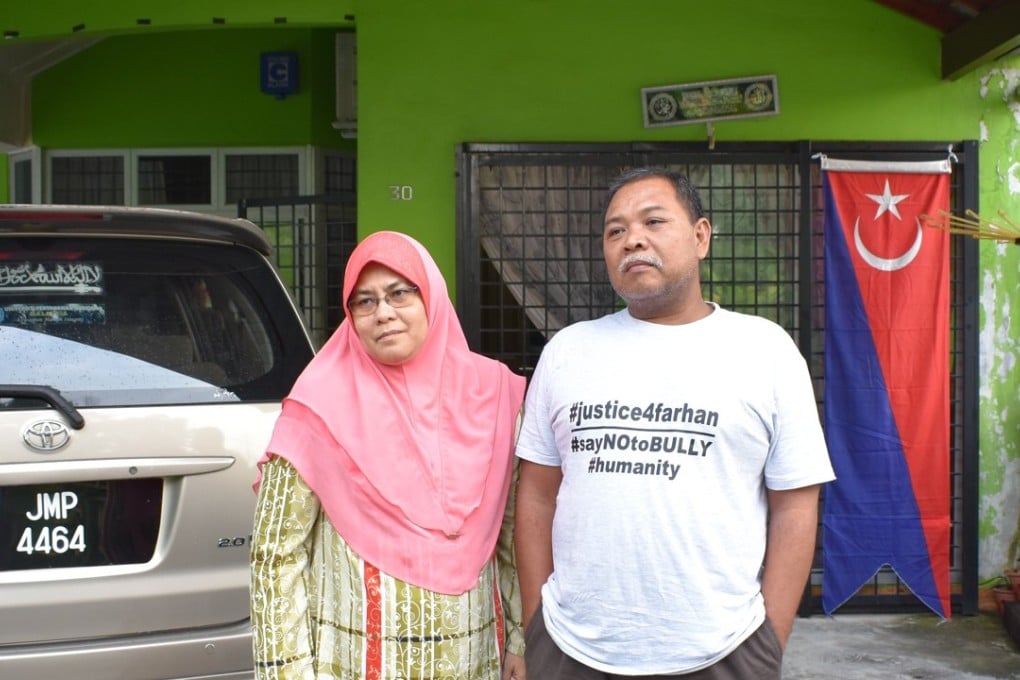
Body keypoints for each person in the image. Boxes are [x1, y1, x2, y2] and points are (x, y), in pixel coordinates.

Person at [514, 167, 835, 679]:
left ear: (701, 236)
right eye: (614, 230)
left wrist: (768, 642)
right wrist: (536, 626)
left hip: (723, 651)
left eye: (653, 221)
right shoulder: (568, 351)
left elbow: (795, 502)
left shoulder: (765, 350)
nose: (631, 239)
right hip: (571, 649)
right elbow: (536, 495)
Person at [250, 230, 528, 680]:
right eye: (364, 301)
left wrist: (521, 639)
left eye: (399, 293)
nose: (383, 313)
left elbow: (514, 535)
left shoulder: (494, 397)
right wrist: (287, 674)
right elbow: (275, 557)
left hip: (477, 659)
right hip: (353, 662)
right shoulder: (317, 406)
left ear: (431, 298)